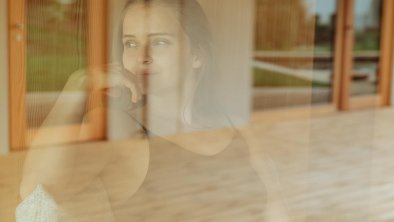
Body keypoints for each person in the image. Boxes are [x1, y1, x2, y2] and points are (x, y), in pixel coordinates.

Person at [17, 0, 270, 221]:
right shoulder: (120, 128)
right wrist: (76, 88)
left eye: (159, 42)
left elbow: (274, 208)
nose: (141, 57)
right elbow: (34, 194)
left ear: (198, 55)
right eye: (130, 43)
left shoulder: (235, 127)